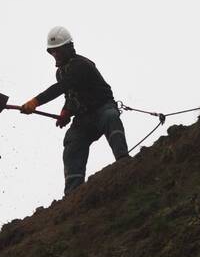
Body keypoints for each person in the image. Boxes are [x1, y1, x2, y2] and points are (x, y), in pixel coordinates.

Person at [20, 26, 129, 194]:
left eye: (58, 51)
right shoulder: (61, 72)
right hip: (84, 118)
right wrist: (66, 112)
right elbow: (70, 96)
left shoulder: (81, 65)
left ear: (68, 48)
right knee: (72, 141)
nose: (55, 55)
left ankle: (124, 161)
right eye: (53, 52)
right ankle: (73, 192)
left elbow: (62, 87)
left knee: (110, 117)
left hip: (102, 108)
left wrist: (36, 101)